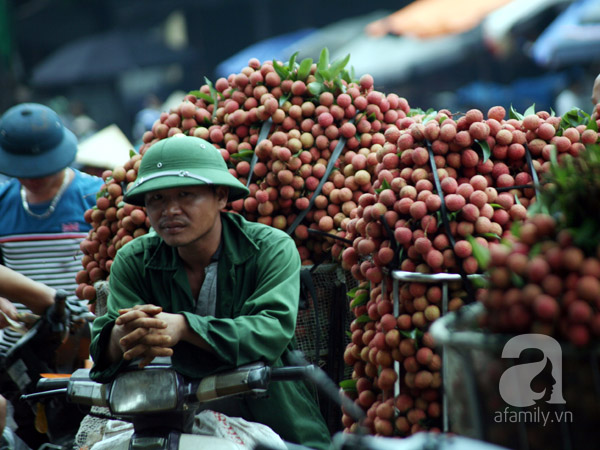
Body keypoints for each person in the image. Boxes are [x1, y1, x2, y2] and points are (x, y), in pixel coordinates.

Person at [89, 135, 332, 449]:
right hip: (166, 422)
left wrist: (183, 327)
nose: (169, 210)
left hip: (273, 422)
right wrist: (123, 333)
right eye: (156, 199)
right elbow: (105, 346)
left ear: (220, 196)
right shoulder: (134, 260)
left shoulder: (270, 248)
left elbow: (271, 329)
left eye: (186, 195)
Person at [0, 102, 103, 448]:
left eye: (43, 168)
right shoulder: (3, 201)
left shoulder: (96, 197)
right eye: (25, 170)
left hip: (84, 342)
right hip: (20, 345)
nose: (35, 177)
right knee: (30, 427)